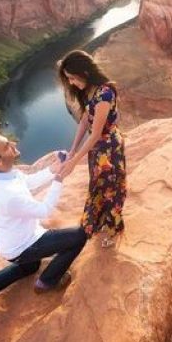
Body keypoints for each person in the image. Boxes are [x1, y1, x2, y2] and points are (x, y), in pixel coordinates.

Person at [0, 132, 87, 309]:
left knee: (30, 267)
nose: (12, 143)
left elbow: (27, 182)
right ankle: (47, 282)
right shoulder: (8, 195)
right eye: (6, 146)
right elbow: (44, 210)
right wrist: (59, 179)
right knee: (79, 236)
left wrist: (54, 168)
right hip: (25, 245)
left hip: (10, 246)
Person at [57, 50, 127, 248]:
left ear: (84, 72)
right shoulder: (90, 90)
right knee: (98, 185)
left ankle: (113, 230)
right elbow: (84, 121)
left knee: (111, 188)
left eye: (72, 77)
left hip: (109, 148)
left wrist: (74, 161)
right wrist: (72, 151)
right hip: (98, 150)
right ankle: (99, 222)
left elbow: (96, 133)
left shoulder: (104, 93)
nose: (71, 83)